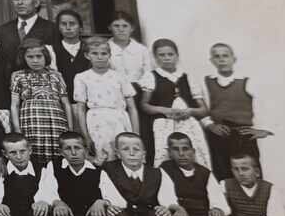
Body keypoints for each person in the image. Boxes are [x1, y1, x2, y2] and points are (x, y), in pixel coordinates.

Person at [202, 42, 273, 181]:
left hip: (242, 135)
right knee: (222, 173)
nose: (222, 59)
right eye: (217, 56)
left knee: (248, 172)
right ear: (212, 60)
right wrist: (210, 125)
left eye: (225, 56)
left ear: (233, 59)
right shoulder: (207, 82)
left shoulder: (246, 81)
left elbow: (264, 106)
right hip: (219, 134)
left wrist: (262, 129)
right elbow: (202, 107)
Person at [139, 38, 212, 169]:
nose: (166, 58)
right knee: (166, 156)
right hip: (164, 125)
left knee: (193, 156)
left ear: (177, 56)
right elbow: (144, 105)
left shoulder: (188, 77)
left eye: (170, 54)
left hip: (188, 125)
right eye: (161, 55)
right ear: (155, 57)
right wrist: (165, 110)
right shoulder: (151, 77)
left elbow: (204, 109)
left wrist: (190, 111)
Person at [73, 37, 138, 164]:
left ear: (109, 55)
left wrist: (136, 133)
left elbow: (132, 107)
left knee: (124, 155)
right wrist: (85, 135)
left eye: (104, 53)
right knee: (103, 158)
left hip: (119, 120)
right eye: (95, 53)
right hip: (96, 121)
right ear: (87, 55)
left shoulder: (119, 76)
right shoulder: (82, 77)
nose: (100, 57)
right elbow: (80, 109)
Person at [10, 39, 73, 165]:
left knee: (57, 155)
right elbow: (14, 104)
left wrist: (70, 128)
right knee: (34, 154)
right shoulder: (18, 76)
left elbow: (66, 103)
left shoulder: (56, 75)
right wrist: (17, 128)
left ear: (46, 56)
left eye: (39, 56)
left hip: (55, 120)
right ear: (24, 58)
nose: (35, 60)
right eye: (30, 57)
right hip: (30, 120)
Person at [106, 12, 154, 159]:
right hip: (114, 94)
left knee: (141, 129)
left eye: (125, 26)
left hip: (139, 93)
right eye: (116, 26)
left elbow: (148, 75)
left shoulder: (141, 50)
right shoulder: (106, 48)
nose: (121, 29)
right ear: (110, 27)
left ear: (132, 28)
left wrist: (144, 98)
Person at [0, 0, 60, 69]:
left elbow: (58, 61)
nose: (20, 2)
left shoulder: (52, 29)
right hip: (9, 81)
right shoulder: (2, 31)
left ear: (36, 3)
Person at [49, 9, 90, 103]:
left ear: (80, 27)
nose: (68, 27)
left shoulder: (89, 49)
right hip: (63, 103)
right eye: (63, 24)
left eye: (72, 24)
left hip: (88, 101)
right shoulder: (52, 50)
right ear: (58, 27)